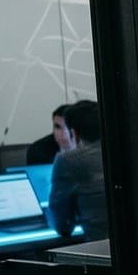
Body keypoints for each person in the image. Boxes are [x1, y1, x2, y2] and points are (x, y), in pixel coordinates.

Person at [47, 100, 108, 238]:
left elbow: (62, 225)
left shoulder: (68, 160)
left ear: (73, 133)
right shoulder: (127, 150)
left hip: (98, 250)